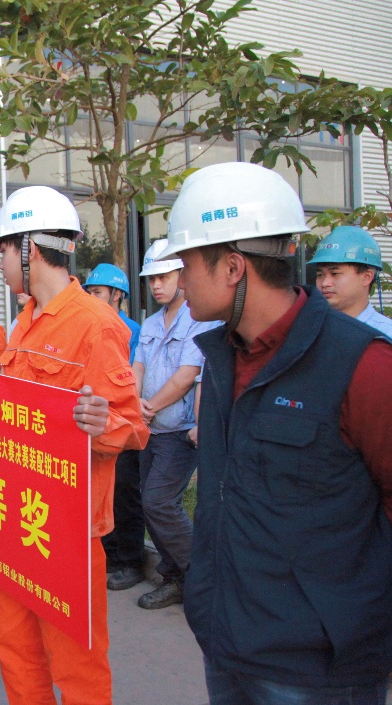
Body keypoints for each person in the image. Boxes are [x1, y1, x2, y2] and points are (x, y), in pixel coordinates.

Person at [162, 161, 392, 705]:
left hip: (318, 671)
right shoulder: (223, 358)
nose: (179, 281)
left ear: (233, 267)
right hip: (227, 645)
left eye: (186, 264)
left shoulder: (363, 366)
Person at [0, 185, 148, 705]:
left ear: (29, 249)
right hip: (13, 517)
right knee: (14, 648)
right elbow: (6, 410)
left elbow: (134, 427)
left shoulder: (96, 325)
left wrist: (101, 424)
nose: (0, 264)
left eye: (4, 250)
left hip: (67, 531)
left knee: (77, 665)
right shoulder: (23, 322)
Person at [132, 239, 218, 610]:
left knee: (159, 501)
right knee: (150, 503)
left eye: (163, 277)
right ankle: (175, 577)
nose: (156, 285)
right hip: (149, 427)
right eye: (151, 279)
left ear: (182, 275)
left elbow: (187, 375)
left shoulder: (199, 320)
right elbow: (137, 366)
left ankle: (202, 578)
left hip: (179, 430)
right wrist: (135, 401)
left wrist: (149, 406)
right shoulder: (151, 323)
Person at [84, 264, 147, 591]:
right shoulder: (89, 324)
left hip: (119, 422)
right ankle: (109, 556)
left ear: (117, 295)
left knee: (125, 493)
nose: (91, 297)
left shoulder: (129, 329)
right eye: (90, 292)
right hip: (96, 423)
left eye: (97, 292)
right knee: (101, 495)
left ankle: (131, 560)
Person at [309, 225, 392, 338]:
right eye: (320, 275)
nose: (324, 283)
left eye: (335, 274)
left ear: (366, 277)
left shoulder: (386, 335)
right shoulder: (310, 332)